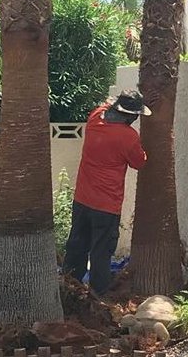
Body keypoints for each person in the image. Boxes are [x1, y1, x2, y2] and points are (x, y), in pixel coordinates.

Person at [64, 90, 150, 294]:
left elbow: (105, 105)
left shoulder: (94, 119)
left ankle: (68, 290)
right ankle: (97, 298)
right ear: (129, 116)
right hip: (106, 206)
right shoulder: (128, 137)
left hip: (82, 200)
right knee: (100, 254)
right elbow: (139, 162)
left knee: (76, 246)